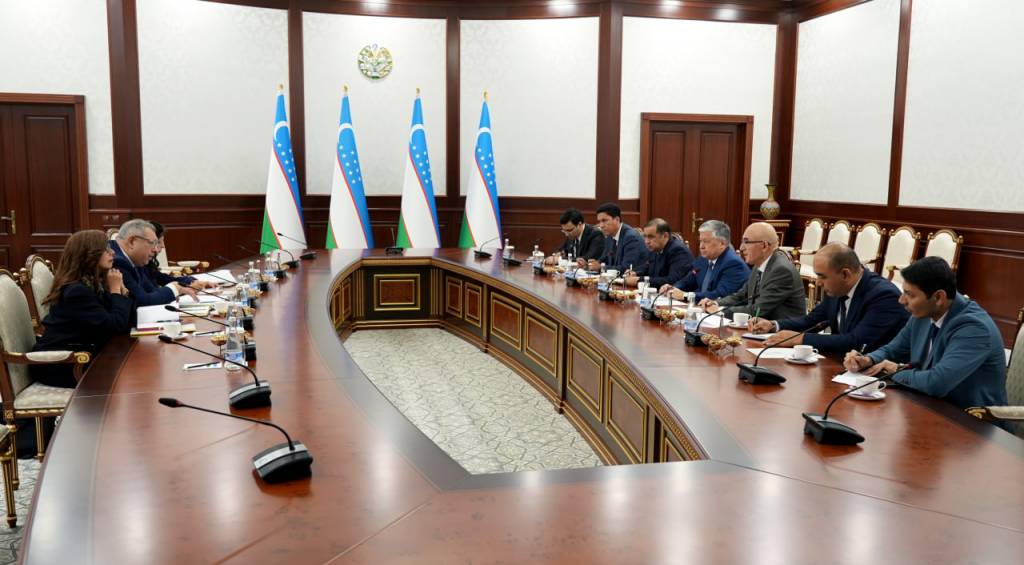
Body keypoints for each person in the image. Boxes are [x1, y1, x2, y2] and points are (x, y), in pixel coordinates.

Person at [843, 256, 1007, 410]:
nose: (901, 300)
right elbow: (893, 349)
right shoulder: (924, 312)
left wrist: (895, 370)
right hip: (929, 406)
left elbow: (936, 383)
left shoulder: (974, 329)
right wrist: (868, 359)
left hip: (969, 421)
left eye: (909, 294)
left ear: (938, 297)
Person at [748, 242, 908, 353]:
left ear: (845, 274)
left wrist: (801, 339)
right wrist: (773, 325)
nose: (818, 283)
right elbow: (810, 321)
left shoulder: (883, 296)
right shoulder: (838, 288)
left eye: (822, 276)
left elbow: (857, 342)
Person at [31, 230, 135, 388]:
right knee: (131, 375)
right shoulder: (77, 291)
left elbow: (126, 323)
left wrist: (122, 292)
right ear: (89, 254)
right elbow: (114, 326)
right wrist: (115, 292)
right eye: (106, 248)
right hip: (62, 363)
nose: (112, 252)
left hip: (82, 353)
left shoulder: (94, 282)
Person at [701, 221, 805, 321]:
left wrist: (720, 311)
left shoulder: (781, 271)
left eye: (746, 242)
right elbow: (741, 296)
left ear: (764, 246)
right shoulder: (759, 265)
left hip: (782, 330)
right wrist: (716, 303)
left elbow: (757, 310)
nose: (741, 248)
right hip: (759, 326)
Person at [110, 219, 197, 305]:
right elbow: (144, 301)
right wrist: (175, 289)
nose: (155, 250)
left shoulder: (134, 258)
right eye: (152, 243)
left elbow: (151, 290)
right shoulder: (118, 262)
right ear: (132, 241)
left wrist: (178, 288)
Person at [659, 220, 749, 302]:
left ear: (722, 243)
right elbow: (687, 281)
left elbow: (719, 295)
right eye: (700, 241)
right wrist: (672, 289)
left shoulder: (734, 264)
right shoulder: (703, 259)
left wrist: (685, 295)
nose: (701, 246)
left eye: (706, 241)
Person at [145, 221, 216, 290]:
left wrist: (194, 282)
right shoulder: (141, 267)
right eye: (159, 242)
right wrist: (179, 290)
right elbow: (151, 294)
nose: (163, 246)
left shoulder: (148, 265)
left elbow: (166, 279)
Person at [624, 218, 693, 288]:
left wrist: (639, 280)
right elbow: (649, 269)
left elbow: (672, 280)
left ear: (665, 236)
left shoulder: (678, 251)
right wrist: (636, 273)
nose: (647, 241)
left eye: (651, 237)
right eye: (645, 237)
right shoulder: (656, 248)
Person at [588, 202, 648, 273]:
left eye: (604, 221)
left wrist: (601, 267)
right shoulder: (610, 235)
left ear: (617, 219)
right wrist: (595, 263)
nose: (601, 225)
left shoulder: (630, 237)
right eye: (599, 221)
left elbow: (626, 268)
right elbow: (605, 258)